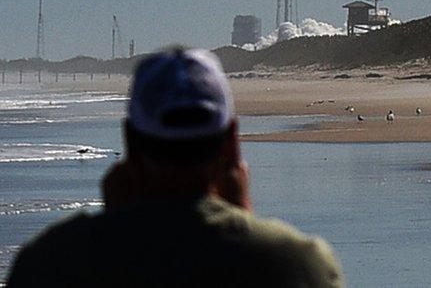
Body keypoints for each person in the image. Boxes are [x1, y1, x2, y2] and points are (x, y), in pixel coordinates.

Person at [7, 48, 344, 287]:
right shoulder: (297, 264)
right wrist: (242, 219)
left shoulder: (50, 263)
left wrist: (113, 229)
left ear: (130, 140)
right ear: (232, 141)